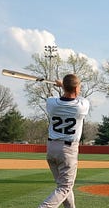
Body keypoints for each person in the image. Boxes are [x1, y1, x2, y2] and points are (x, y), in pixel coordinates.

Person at [38, 74, 90, 208]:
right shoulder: (81, 106)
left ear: (65, 87)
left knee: (65, 187)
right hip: (68, 151)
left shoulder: (51, 104)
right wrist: (63, 85)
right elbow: (78, 97)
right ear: (77, 89)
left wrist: (63, 86)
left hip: (51, 149)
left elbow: (60, 97)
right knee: (64, 188)